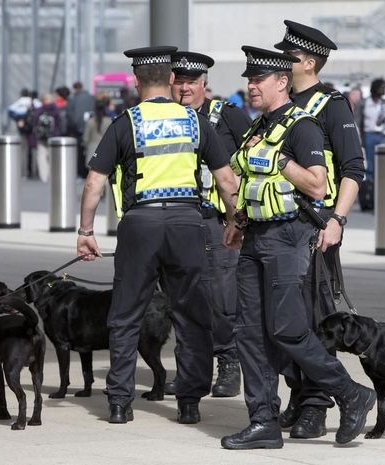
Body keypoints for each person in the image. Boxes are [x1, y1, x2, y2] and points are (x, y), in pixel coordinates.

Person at [220, 45, 375, 450]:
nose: (251, 87)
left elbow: (318, 184)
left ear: (281, 82)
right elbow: (247, 179)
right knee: (249, 333)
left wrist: (281, 161)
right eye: (249, 80)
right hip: (256, 235)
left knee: (288, 329)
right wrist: (237, 220)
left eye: (258, 80)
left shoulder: (302, 126)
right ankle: (263, 421)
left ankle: (349, 393)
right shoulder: (258, 126)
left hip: (290, 237)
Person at [76, 46, 241, 426]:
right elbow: (226, 179)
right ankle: (188, 403)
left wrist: (86, 231)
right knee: (190, 315)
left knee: (126, 314)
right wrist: (235, 222)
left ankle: (119, 403)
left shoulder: (124, 123)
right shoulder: (194, 121)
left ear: (136, 82)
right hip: (187, 224)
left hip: (139, 226)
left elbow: (94, 183)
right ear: (170, 79)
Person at [272, 20, 365, 439]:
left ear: (309, 61)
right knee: (281, 321)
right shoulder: (282, 104)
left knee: (314, 321)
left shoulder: (331, 105)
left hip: (315, 230)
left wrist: (337, 220)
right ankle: (299, 393)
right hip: (278, 229)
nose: (283, 62)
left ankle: (316, 404)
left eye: (289, 57)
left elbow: (352, 170)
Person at [169, 50, 252, 398]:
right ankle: (190, 368)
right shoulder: (165, 118)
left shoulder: (228, 116)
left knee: (222, 299)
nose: (185, 88)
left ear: (205, 84)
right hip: (177, 221)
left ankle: (228, 362)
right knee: (182, 299)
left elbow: (254, 157)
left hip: (218, 222)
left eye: (192, 82)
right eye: (180, 81)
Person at [66, 81, 95, 178]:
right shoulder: (91, 97)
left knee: (79, 152)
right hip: (91, 127)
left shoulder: (73, 99)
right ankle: (89, 171)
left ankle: (81, 172)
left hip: (78, 129)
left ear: (74, 88)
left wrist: (74, 126)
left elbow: (69, 114)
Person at [360, 78, 385, 180]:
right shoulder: (364, 103)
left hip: (382, 135)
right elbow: (358, 121)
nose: (384, 89)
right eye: (382, 87)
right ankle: (370, 187)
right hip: (369, 135)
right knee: (370, 163)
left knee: (381, 162)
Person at [32, 93, 62, 183]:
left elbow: (34, 122)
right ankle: (52, 175)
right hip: (53, 137)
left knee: (42, 156)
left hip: (41, 137)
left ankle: (44, 176)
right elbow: (59, 122)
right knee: (52, 156)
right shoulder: (56, 110)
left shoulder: (39, 110)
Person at [82, 94, 112, 168]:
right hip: (106, 151)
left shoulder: (90, 121)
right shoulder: (109, 121)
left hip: (92, 150)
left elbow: (85, 138)